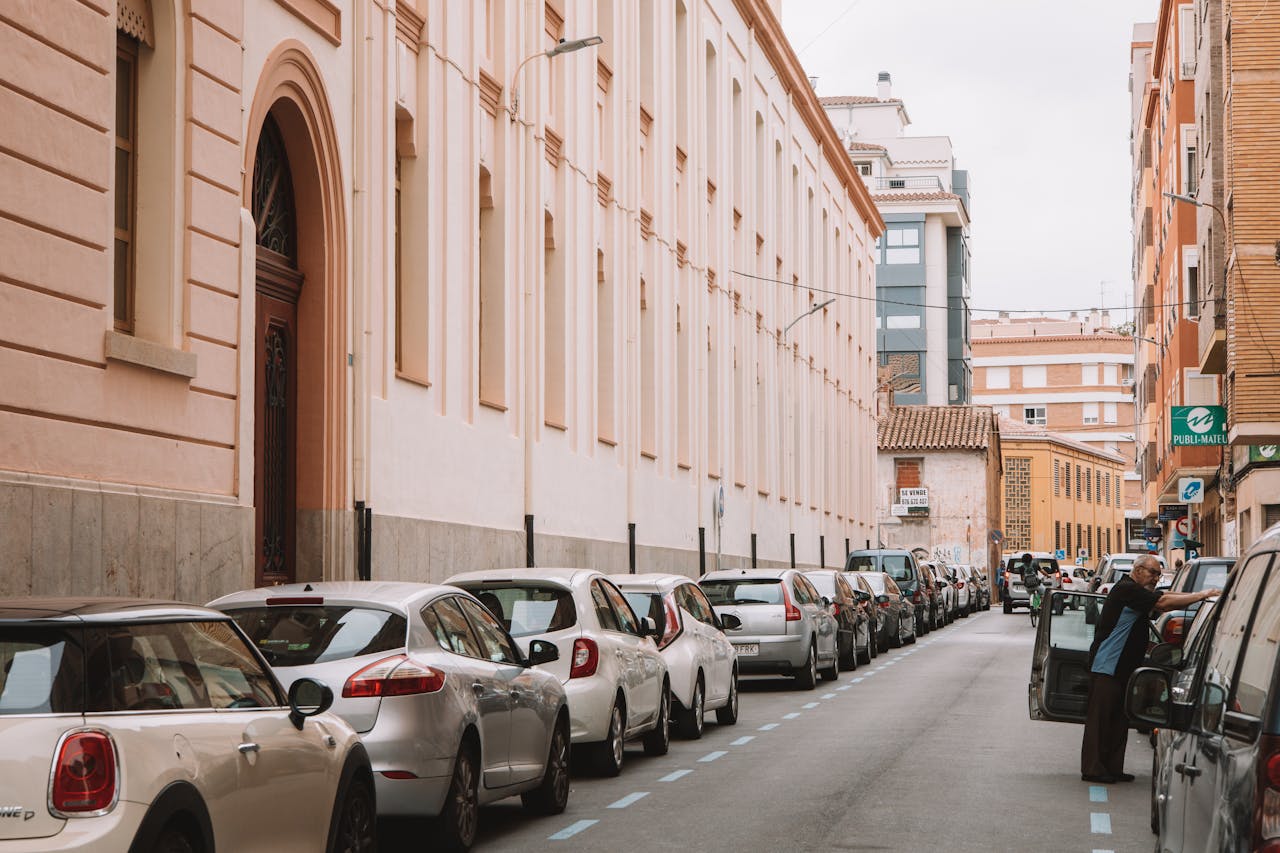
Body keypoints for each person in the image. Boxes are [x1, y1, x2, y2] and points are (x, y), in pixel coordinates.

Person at [1080, 554, 1220, 783]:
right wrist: (1202, 595)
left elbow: (1164, 595)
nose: (1157, 577)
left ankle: (1113, 767)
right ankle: (1092, 769)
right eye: (1153, 573)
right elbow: (1162, 603)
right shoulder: (1126, 589)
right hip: (1107, 665)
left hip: (1124, 668)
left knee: (1119, 719)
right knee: (1101, 720)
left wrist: (1204, 596)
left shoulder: (1137, 592)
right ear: (1138, 570)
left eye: (1158, 573)